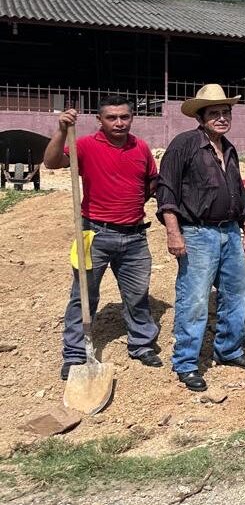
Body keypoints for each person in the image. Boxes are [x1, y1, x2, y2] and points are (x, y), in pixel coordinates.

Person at [43, 96, 162, 381]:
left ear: (131, 118)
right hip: (94, 233)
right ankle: (75, 354)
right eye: (112, 117)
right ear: (100, 120)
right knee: (84, 295)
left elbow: (151, 180)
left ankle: (141, 344)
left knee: (137, 294)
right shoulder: (85, 145)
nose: (119, 122)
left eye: (124, 117)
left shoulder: (140, 147)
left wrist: (136, 202)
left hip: (135, 236)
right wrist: (61, 130)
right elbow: (51, 162)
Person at [157, 84, 245, 392]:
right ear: (200, 117)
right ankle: (186, 363)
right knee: (195, 299)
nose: (222, 118)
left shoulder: (228, 148)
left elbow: (238, 192)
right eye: (214, 113)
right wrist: (173, 232)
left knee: (238, 293)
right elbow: (166, 190)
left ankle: (228, 350)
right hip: (197, 233)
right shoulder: (184, 145)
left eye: (226, 112)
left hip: (230, 232)